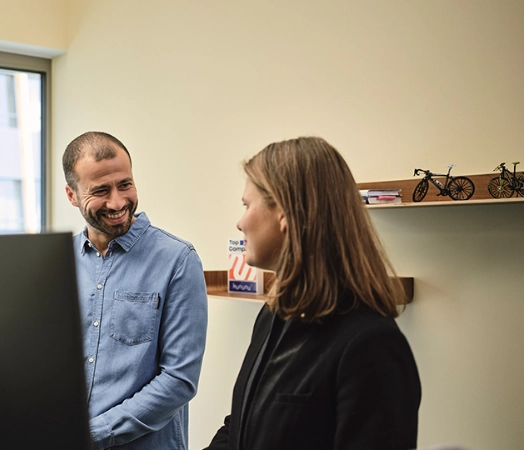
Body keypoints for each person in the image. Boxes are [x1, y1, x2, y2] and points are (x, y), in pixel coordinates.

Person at [205, 137, 421, 450]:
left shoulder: (371, 345)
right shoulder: (272, 316)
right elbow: (240, 426)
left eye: (247, 205)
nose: (240, 222)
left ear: (285, 214)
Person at [63, 131, 208, 450]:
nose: (117, 202)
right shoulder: (59, 263)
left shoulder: (178, 261)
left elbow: (179, 381)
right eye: (101, 190)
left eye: (125, 185)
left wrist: (91, 436)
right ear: (72, 195)